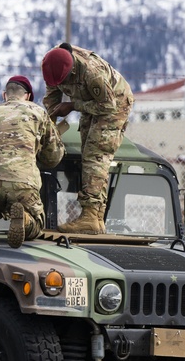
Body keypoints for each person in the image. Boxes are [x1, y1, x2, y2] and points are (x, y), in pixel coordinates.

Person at [0, 75, 65, 247]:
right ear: (29, 96)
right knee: (38, 222)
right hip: (22, 181)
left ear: (4, 95)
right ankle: (24, 218)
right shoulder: (38, 113)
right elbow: (53, 158)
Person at [42, 43, 134, 234]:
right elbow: (52, 98)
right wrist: (49, 127)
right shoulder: (52, 66)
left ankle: (90, 216)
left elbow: (109, 106)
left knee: (96, 154)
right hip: (90, 102)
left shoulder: (91, 71)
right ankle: (97, 219)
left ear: (72, 69)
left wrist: (73, 106)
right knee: (87, 156)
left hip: (115, 102)